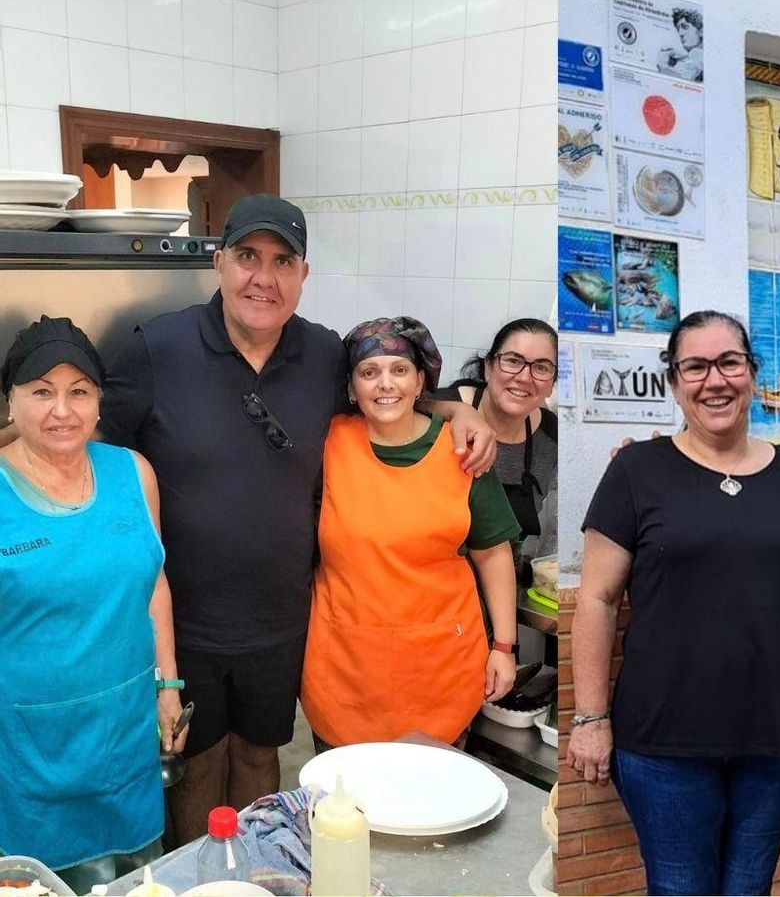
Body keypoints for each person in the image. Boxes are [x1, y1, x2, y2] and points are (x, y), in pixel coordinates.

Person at [89, 195, 495, 842]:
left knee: (260, 756)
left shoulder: (324, 355)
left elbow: (387, 398)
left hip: (282, 619)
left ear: (303, 276)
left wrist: (456, 409)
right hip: (184, 620)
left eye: (283, 261)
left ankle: (259, 872)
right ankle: (202, 882)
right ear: (219, 263)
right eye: (248, 257)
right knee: (195, 766)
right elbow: (91, 449)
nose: (264, 278)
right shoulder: (157, 350)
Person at [570, 311, 780, 895]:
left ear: (752, 374)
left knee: (749, 888)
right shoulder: (637, 470)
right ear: (674, 383)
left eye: (730, 362)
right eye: (696, 367)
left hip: (774, 738)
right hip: (664, 742)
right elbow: (598, 599)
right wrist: (590, 718)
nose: (716, 380)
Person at [0, 318, 185, 892]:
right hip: (28, 745)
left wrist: (169, 687)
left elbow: (153, 583)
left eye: (79, 391)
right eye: (41, 391)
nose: (62, 410)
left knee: (137, 878)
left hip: (123, 731)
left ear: (99, 401)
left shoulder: (133, 472)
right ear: (11, 401)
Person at [300, 318, 519, 748]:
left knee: (430, 808)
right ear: (352, 386)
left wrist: (505, 647)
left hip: (440, 672)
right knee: (344, 809)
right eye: (369, 372)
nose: (385, 384)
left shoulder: (464, 451)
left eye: (399, 370)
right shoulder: (328, 445)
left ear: (421, 381)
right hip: (346, 670)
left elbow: (493, 553)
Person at [442, 319, 558, 557]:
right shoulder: (440, 413)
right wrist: (456, 411)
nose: (525, 377)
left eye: (542, 367)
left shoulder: (552, 435)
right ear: (488, 368)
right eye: (513, 361)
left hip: (506, 582)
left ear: (552, 384)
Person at [655, 7, 703, 82]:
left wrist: (663, 67)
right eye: (678, 29)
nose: (680, 33)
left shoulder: (697, 52)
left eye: (685, 27)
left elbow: (687, 80)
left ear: (700, 31)